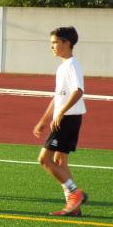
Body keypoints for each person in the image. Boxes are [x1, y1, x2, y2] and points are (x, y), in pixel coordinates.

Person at [33, 26, 88, 216]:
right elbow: (58, 97)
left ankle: (75, 193)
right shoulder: (63, 66)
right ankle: (74, 208)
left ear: (67, 43)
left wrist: (61, 113)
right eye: (51, 43)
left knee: (44, 159)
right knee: (60, 161)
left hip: (68, 119)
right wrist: (43, 120)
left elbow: (78, 91)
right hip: (66, 118)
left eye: (55, 42)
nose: (52, 47)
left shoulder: (72, 65)